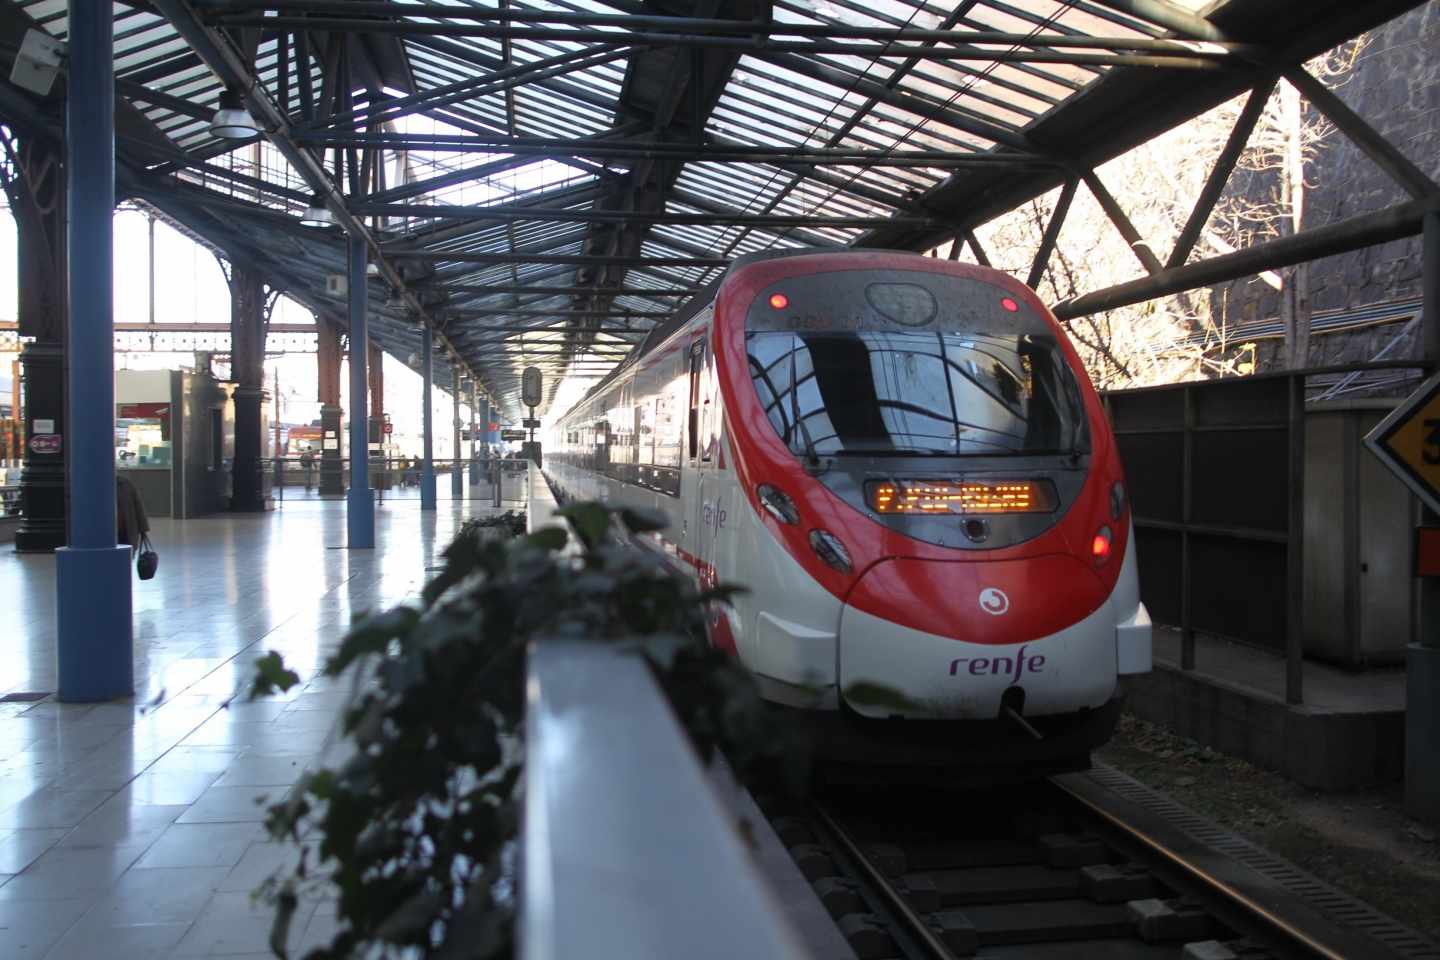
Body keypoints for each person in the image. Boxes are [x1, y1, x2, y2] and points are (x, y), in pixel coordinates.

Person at [116, 473, 150, 554]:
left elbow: (138, 507)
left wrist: (143, 529)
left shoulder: (126, 484)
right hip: (109, 533)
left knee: (127, 557)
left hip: (127, 530)